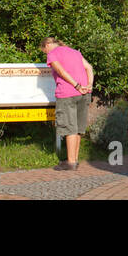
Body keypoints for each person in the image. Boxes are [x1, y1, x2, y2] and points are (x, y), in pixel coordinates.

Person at [40, 37, 93, 171]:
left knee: (70, 127)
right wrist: (88, 85)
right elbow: (89, 68)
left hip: (67, 93)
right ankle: (74, 160)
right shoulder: (75, 52)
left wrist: (77, 85)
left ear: (47, 45)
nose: (45, 53)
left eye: (44, 50)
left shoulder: (53, 54)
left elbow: (61, 72)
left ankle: (70, 163)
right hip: (84, 93)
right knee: (78, 128)